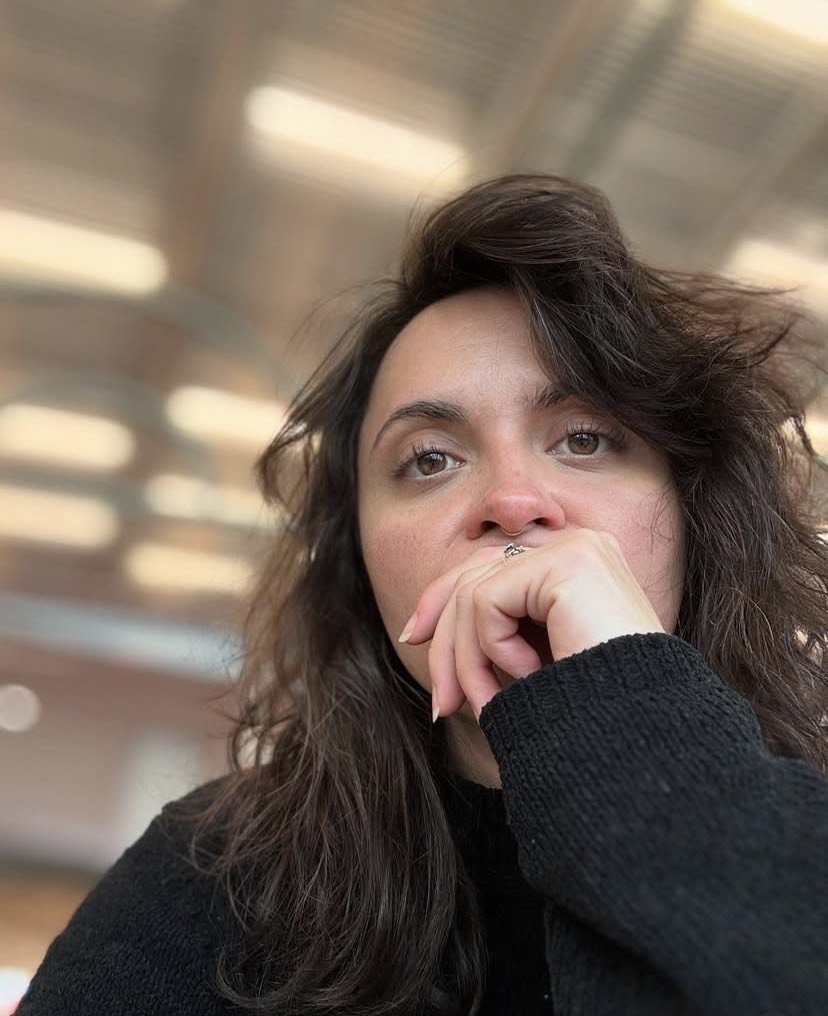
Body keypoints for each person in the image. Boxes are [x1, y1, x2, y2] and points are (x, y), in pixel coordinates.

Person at [17, 174, 828, 1016]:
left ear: (692, 513)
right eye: (431, 459)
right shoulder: (217, 867)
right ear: (360, 561)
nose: (514, 501)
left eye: (585, 439)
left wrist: (621, 712)